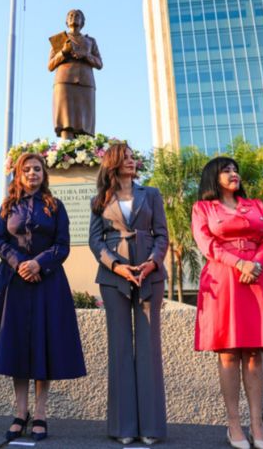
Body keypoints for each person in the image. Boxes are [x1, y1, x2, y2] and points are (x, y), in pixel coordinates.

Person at [0, 153, 86, 442]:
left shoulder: (55, 206)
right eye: (27, 169)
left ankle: (40, 414)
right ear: (19, 175)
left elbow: (63, 244)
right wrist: (20, 263)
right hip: (14, 282)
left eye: (37, 168)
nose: (33, 173)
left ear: (43, 173)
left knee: (43, 345)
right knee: (17, 346)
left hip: (48, 282)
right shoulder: (7, 206)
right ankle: (20, 412)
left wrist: (39, 264)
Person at [191, 157, 263, 449]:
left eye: (235, 170)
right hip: (223, 277)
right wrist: (238, 263)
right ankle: (234, 424)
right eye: (226, 170)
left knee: (254, 351)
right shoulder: (203, 208)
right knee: (228, 352)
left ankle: (258, 425)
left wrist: (254, 263)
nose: (234, 174)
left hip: (255, 277)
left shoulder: (256, 205)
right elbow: (206, 243)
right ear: (212, 178)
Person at [88, 143, 169, 445]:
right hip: (114, 279)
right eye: (127, 157)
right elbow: (95, 241)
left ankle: (151, 427)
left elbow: (162, 234)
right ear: (114, 163)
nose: (133, 161)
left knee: (149, 349)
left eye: (134, 157)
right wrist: (116, 266)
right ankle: (124, 427)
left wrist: (152, 262)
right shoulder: (99, 200)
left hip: (151, 276)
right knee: (120, 349)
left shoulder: (152, 194)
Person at [48, 8, 103, 140]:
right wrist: (63, 52)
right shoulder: (60, 39)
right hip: (64, 82)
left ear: (83, 21)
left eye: (77, 15)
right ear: (66, 21)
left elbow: (99, 63)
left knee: (85, 123)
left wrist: (86, 55)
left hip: (85, 83)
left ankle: (85, 156)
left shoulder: (90, 41)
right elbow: (50, 65)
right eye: (70, 15)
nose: (74, 17)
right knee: (67, 122)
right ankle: (66, 154)